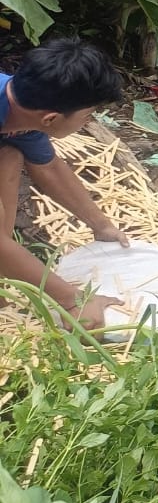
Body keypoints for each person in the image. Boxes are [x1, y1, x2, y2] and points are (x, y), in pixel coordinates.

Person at [0, 39, 128, 328]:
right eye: (87, 116)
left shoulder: (17, 107)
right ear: (51, 119)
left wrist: (102, 226)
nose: (87, 121)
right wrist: (74, 299)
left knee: (9, 155)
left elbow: (50, 168)